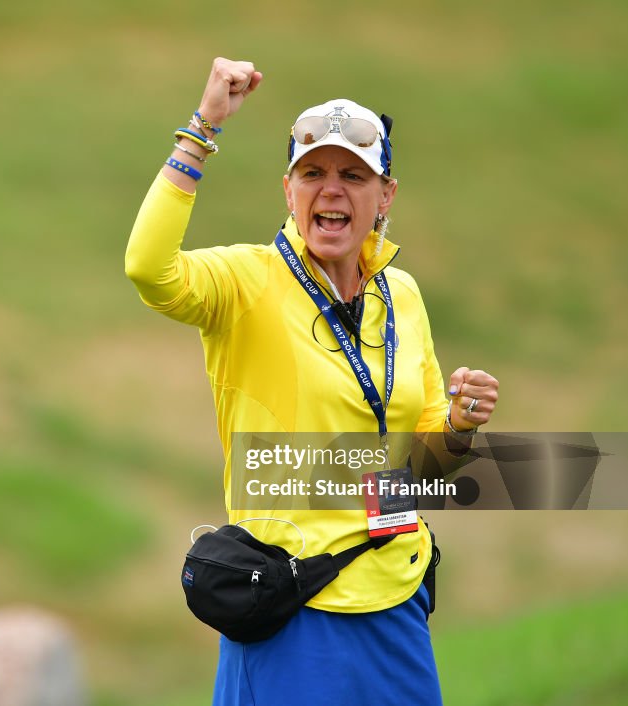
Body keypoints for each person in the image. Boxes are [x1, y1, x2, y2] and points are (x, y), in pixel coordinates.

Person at [125, 58, 501, 705]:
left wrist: (459, 425)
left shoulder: (402, 296)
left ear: (385, 196)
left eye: (354, 175)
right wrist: (203, 127)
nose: (332, 190)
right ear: (288, 190)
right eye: (313, 173)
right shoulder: (246, 283)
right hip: (295, 609)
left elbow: (420, 465)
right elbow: (148, 269)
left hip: (397, 602)